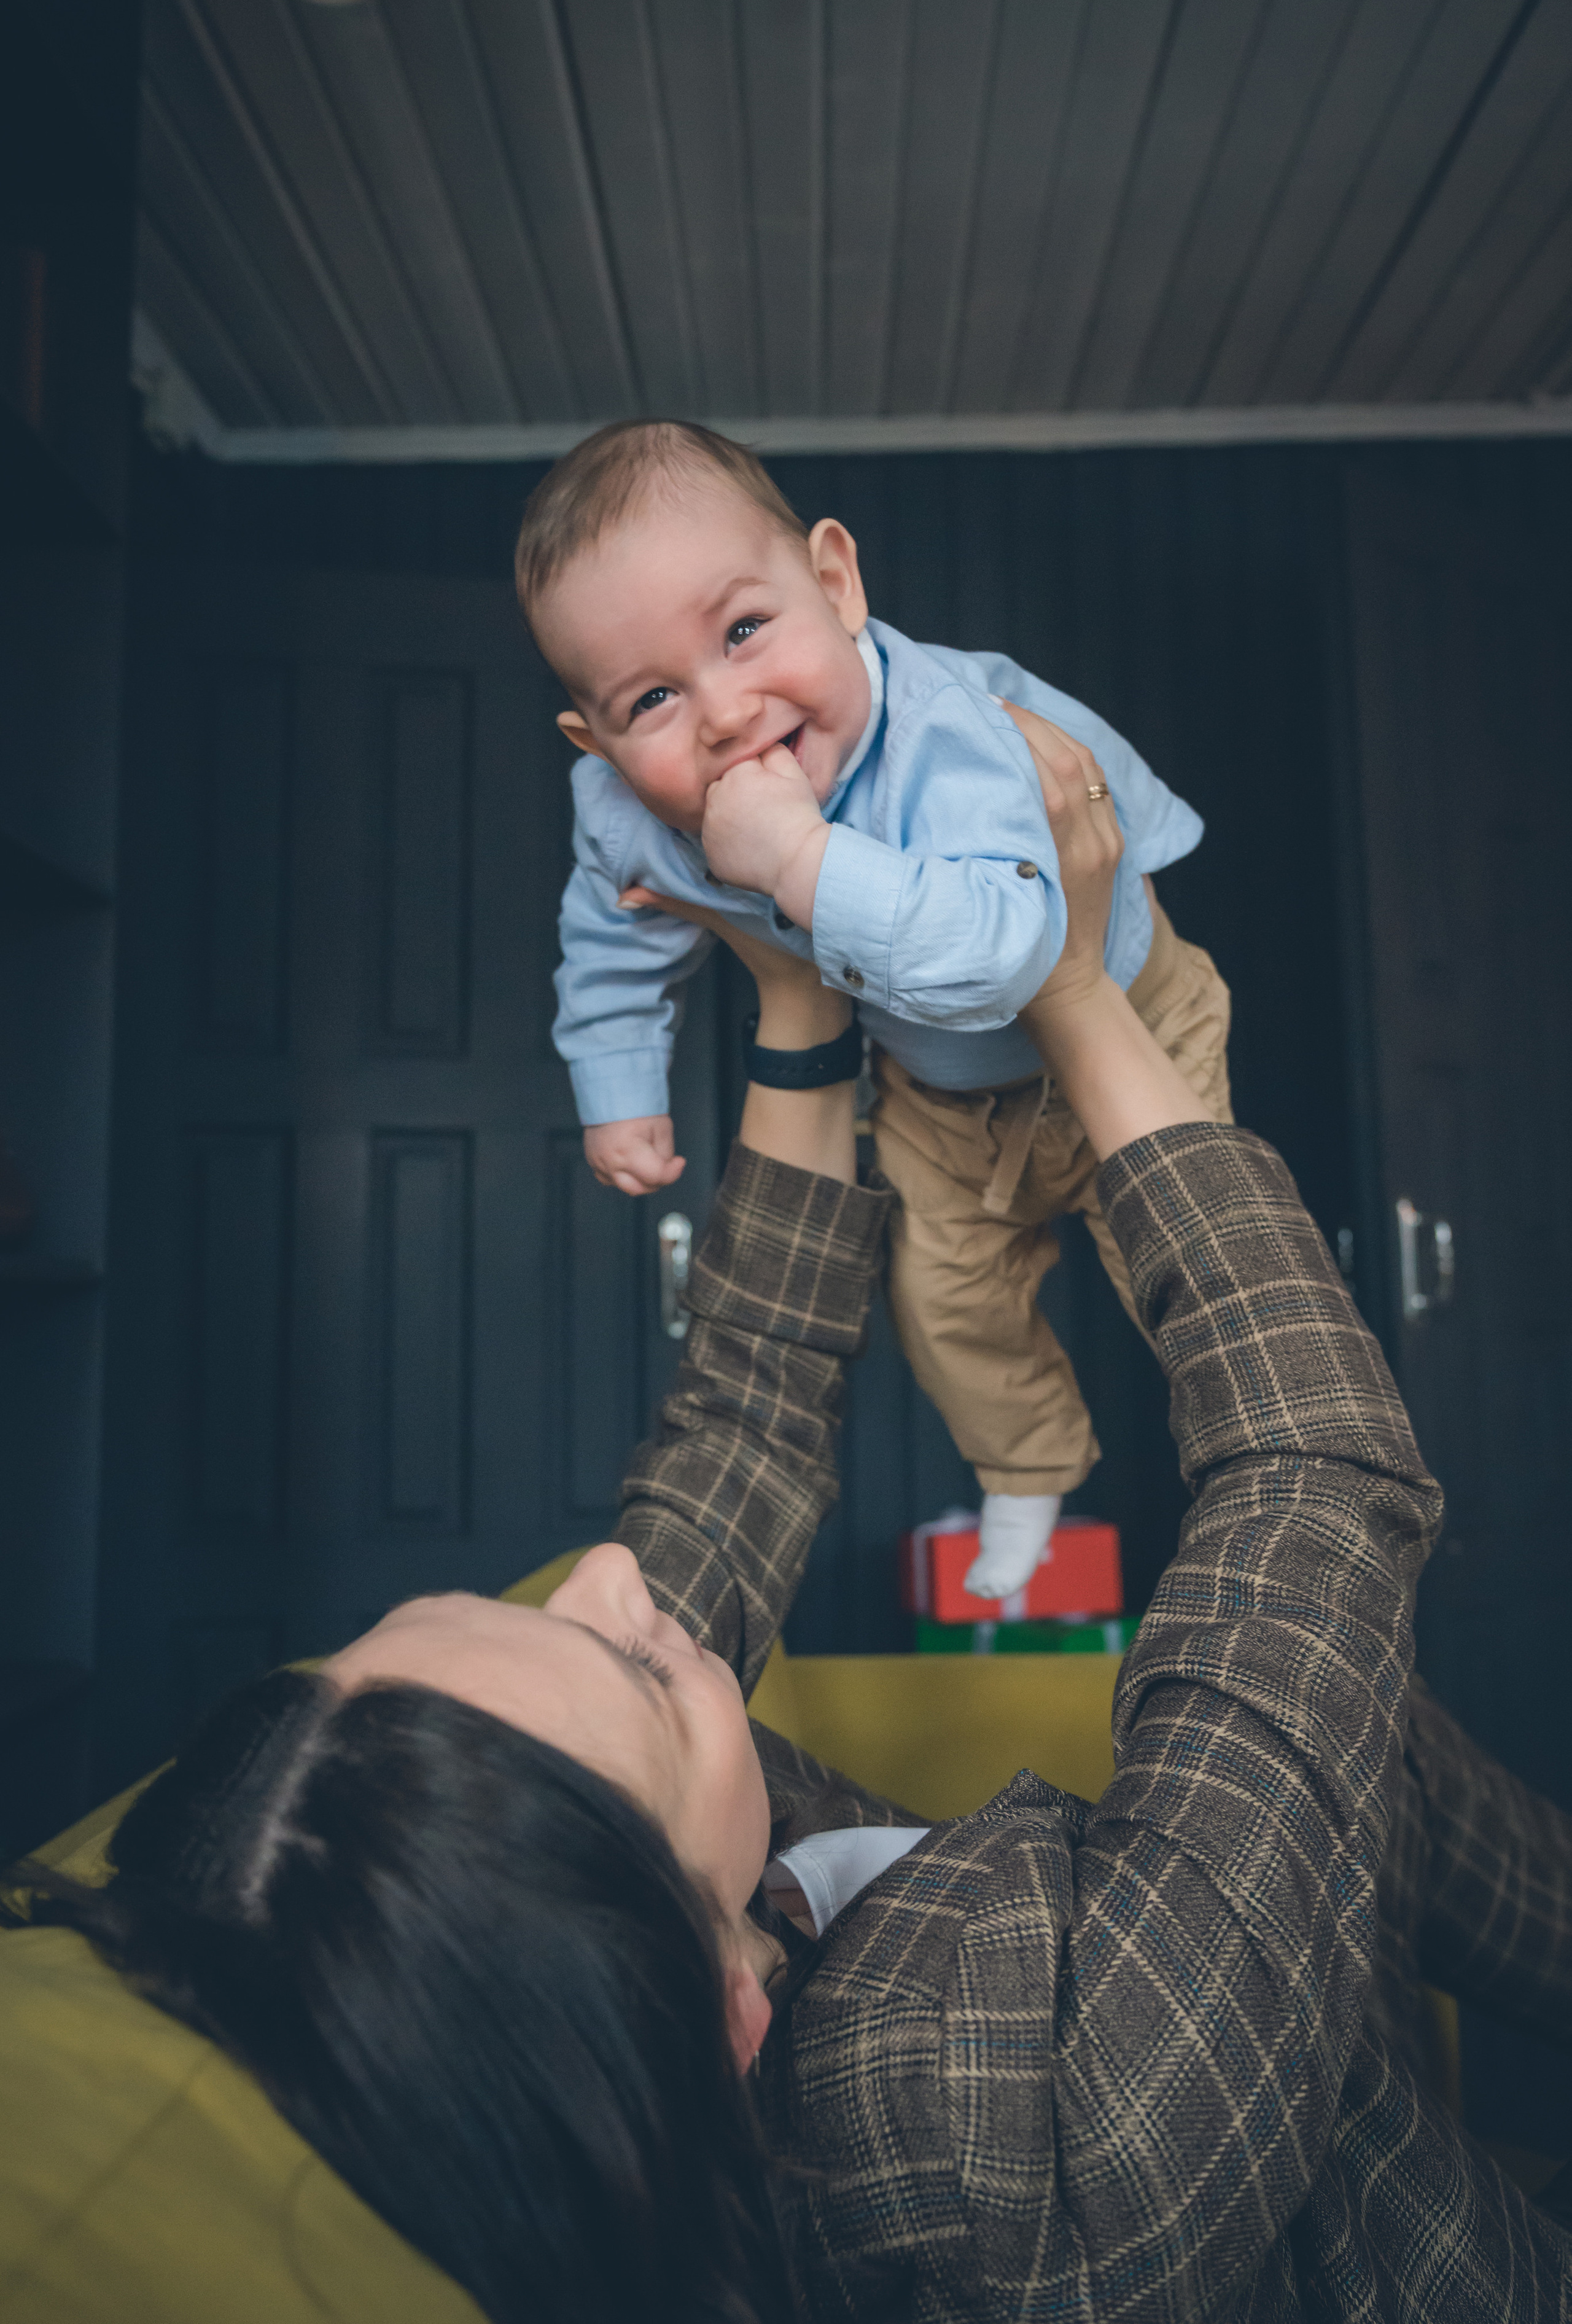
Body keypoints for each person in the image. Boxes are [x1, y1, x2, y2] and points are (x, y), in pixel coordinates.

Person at [12, 714, 1572, 2323]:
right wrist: (1073, 986)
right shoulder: (1035, 2153)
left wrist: (799, 991)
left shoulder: (584, 1884)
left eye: (530, 1610)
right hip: (1427, 2225)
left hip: (1305, 1997)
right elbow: (1311, 1476)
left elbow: (736, 1429)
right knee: (1309, 1684)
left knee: (1374, 1739)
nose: (614, 1578)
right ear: (727, 2013)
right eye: (641, 1677)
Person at [520, 418, 1232, 1599]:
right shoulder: (625, 811)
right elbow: (612, 932)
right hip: (939, 1090)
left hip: (1132, 1016)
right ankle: (1024, 1467)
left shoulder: (951, 734)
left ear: (837, 584)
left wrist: (798, 861)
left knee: (1190, 1262)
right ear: (593, 742)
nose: (725, 711)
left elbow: (1014, 956)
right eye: (651, 698)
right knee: (942, 1299)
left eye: (745, 630)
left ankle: (1259, 1472)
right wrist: (618, 1087)